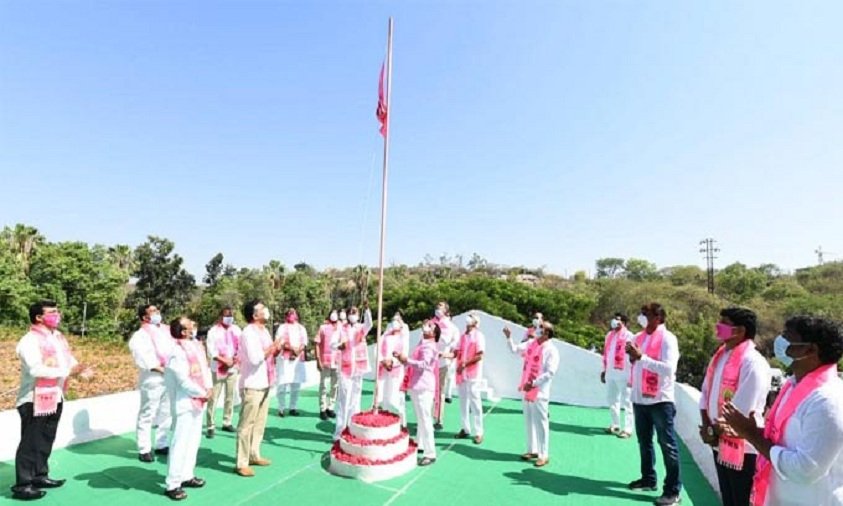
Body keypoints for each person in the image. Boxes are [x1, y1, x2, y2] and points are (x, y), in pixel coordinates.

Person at [723, 316, 843, 506]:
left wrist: (752, 435)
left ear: (811, 349)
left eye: (788, 339)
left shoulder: (828, 401)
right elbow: (784, 442)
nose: (781, 344)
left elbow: (805, 470)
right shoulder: (793, 385)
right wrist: (755, 432)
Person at [12, 300, 91, 501]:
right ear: (39, 317)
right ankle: (23, 485)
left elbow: (67, 359)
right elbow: (36, 369)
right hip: (34, 398)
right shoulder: (29, 341)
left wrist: (80, 370)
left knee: (46, 438)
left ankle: (40, 475)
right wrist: (68, 372)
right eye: (53, 312)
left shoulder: (57, 337)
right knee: (31, 442)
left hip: (55, 395)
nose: (58, 315)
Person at [698, 307, 770, 506]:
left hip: (743, 448)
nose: (718, 327)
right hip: (718, 439)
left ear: (739, 331)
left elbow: (741, 410)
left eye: (724, 324)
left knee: (742, 500)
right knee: (728, 498)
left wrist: (713, 430)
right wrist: (707, 426)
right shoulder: (720, 356)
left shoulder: (753, 363)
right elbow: (705, 393)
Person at [625, 302, 683, 506]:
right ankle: (648, 479)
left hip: (660, 401)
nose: (642, 318)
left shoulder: (668, 339)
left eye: (646, 315)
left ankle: (673, 491)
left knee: (667, 446)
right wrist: (632, 358)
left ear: (658, 318)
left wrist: (641, 357)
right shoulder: (638, 337)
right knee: (644, 442)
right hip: (639, 399)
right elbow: (635, 365)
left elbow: (668, 369)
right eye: (641, 314)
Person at [163, 317, 212, 501]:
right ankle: (172, 483)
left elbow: (204, 369)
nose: (193, 324)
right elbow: (183, 380)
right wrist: (201, 392)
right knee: (180, 442)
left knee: (193, 441)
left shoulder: (195, 345)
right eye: (189, 323)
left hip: (198, 401)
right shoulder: (176, 351)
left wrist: (208, 388)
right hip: (184, 402)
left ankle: (187, 475)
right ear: (183, 331)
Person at [504, 321, 559, 467]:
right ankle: (532, 450)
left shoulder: (551, 350)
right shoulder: (531, 343)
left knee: (541, 423)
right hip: (527, 389)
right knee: (529, 421)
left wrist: (534, 383)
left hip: (539, 391)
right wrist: (509, 338)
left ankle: (544, 454)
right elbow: (515, 350)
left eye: (542, 327)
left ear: (547, 333)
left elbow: (550, 373)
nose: (538, 329)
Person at [235, 300, 280, 477]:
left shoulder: (264, 331)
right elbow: (256, 358)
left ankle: (254, 454)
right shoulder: (248, 333)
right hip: (252, 384)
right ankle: (241, 462)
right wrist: (273, 347)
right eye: (262, 309)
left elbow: (269, 354)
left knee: (259, 423)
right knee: (246, 425)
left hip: (265, 382)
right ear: (254, 315)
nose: (266, 311)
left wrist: (276, 348)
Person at [128, 304, 174, 462]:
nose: (157, 313)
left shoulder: (167, 331)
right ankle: (144, 448)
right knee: (148, 413)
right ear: (144, 317)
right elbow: (143, 358)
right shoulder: (140, 335)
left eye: (157, 311)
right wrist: (160, 369)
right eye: (152, 312)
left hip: (170, 377)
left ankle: (161, 443)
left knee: (166, 412)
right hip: (153, 378)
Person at [394, 320, 440, 466]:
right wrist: (403, 359)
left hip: (423, 387)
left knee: (425, 420)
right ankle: (421, 445)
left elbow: (424, 365)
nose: (426, 326)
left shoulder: (430, 346)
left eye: (430, 326)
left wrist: (406, 360)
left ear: (434, 334)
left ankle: (430, 453)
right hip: (418, 385)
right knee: (421, 419)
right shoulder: (423, 344)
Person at [332, 305, 373, 440]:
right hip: (345, 368)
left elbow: (369, 324)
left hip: (358, 369)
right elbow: (332, 343)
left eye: (355, 312)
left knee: (355, 399)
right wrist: (339, 345)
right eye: (350, 312)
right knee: (344, 399)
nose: (352, 314)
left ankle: (353, 427)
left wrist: (367, 310)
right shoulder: (341, 328)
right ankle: (339, 431)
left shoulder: (361, 328)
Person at [205, 306, 241, 438]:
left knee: (230, 396)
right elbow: (211, 351)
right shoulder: (213, 331)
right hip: (218, 368)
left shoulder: (237, 330)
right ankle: (210, 425)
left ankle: (227, 422)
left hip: (233, 368)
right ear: (221, 317)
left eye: (231, 315)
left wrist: (233, 360)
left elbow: (241, 347)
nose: (229, 318)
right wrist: (224, 361)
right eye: (226, 315)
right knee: (214, 397)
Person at [454, 311, 486, 445]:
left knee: (475, 402)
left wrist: (465, 364)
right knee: (463, 402)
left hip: (473, 374)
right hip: (462, 374)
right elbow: (456, 352)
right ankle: (465, 428)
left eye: (471, 318)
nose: (468, 318)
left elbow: (479, 355)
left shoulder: (479, 336)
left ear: (475, 323)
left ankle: (479, 432)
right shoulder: (462, 336)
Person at [601, 313, 635, 438]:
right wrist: (604, 370)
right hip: (611, 373)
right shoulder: (609, 335)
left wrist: (632, 375)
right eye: (614, 319)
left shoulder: (630, 336)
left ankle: (628, 429)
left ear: (624, 323)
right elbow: (606, 354)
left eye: (618, 320)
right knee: (612, 399)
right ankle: (615, 424)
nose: (615, 321)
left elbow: (633, 358)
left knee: (627, 402)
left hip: (624, 373)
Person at [274, 308, 308, 417]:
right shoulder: (282, 327)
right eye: (289, 313)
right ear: (286, 315)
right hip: (285, 359)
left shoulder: (301, 328)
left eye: (293, 313)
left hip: (297, 360)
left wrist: (298, 351)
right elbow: (280, 342)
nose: (292, 315)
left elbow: (304, 342)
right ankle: (281, 408)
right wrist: (293, 349)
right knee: (282, 384)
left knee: (296, 385)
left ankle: (293, 407)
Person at [377, 311, 409, 426]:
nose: (395, 322)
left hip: (396, 370)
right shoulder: (386, 335)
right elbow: (378, 349)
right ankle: (385, 419)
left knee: (396, 396)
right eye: (393, 320)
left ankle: (401, 423)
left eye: (398, 320)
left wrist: (393, 362)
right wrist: (383, 361)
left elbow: (404, 353)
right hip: (383, 369)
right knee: (383, 394)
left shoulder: (404, 335)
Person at [431, 301, 460, 430]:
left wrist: (445, 354)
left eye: (440, 307)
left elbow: (454, 349)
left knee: (440, 391)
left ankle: (438, 419)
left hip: (442, 363)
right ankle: (427, 415)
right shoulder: (430, 324)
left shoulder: (452, 328)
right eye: (436, 307)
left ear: (447, 312)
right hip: (429, 362)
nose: (437, 309)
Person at [314, 310, 341, 420]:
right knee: (324, 386)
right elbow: (316, 343)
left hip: (338, 362)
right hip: (325, 362)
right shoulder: (323, 328)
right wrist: (318, 359)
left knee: (335, 386)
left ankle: (331, 407)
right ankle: (322, 409)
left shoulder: (341, 328)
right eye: (332, 313)